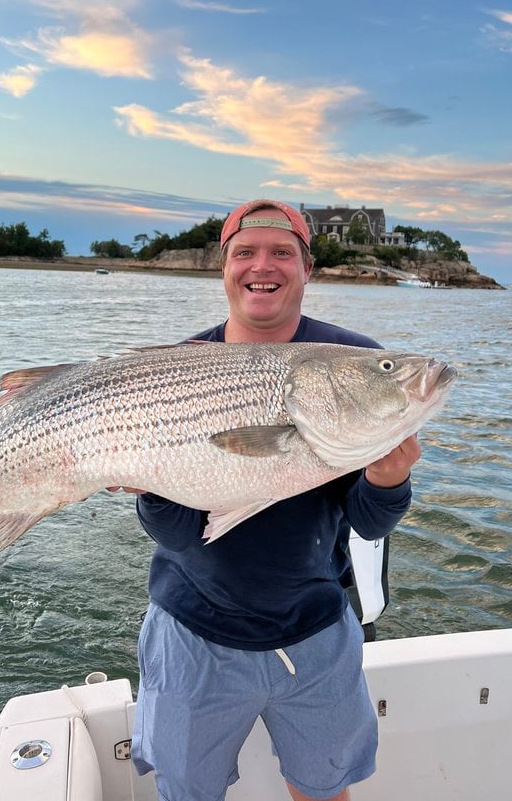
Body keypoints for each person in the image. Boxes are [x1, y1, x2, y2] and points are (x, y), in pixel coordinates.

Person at [131, 199, 420, 801]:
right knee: (185, 794)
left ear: (307, 267)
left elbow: (365, 522)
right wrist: (152, 484)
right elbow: (182, 535)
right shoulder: (175, 370)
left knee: (324, 790)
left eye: (282, 252)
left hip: (315, 632)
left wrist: (389, 481)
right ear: (225, 266)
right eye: (246, 252)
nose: (263, 266)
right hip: (192, 632)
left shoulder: (351, 361)